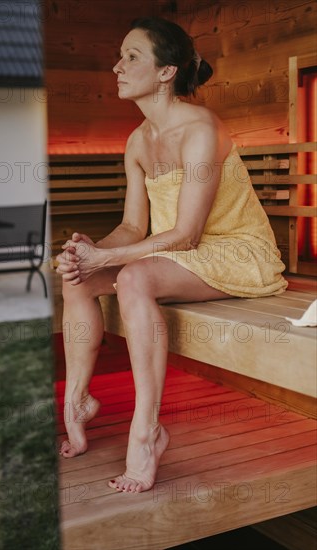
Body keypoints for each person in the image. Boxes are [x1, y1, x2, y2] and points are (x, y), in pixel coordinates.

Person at [56, 17, 287, 493]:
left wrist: (113, 261)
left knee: (135, 278)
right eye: (120, 56)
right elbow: (132, 227)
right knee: (78, 274)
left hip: (238, 253)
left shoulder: (200, 128)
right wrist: (93, 252)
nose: (117, 66)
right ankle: (76, 400)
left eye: (132, 56)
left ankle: (147, 432)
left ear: (166, 72)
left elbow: (185, 233)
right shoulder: (138, 141)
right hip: (182, 256)